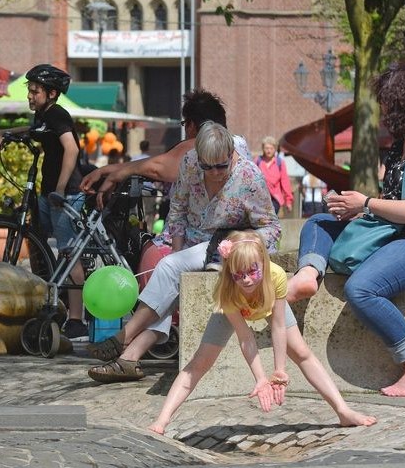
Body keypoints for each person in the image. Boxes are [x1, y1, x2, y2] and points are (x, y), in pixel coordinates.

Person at [284, 62, 405, 397]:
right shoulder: (403, 142)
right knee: (320, 222)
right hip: (401, 233)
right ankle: (307, 275)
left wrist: (366, 205)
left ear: (401, 103)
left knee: (362, 288)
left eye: (385, 103)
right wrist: (357, 214)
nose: (382, 111)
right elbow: (394, 203)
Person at [87, 122, 280, 382]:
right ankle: (129, 358)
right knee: (171, 279)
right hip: (194, 244)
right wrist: (177, 253)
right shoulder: (189, 163)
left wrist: (242, 244)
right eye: (206, 166)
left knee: (168, 269)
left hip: (227, 248)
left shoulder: (249, 177)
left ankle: (125, 335)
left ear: (232, 153)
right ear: (198, 158)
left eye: (222, 165)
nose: (214, 173)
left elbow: (272, 228)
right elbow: (176, 210)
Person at [149, 231, 376, 434]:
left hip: (267, 305)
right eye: (239, 274)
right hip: (236, 310)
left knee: (302, 353)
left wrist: (279, 371)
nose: (246, 279)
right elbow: (245, 337)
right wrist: (260, 379)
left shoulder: (275, 276)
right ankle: (162, 420)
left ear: (264, 265)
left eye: (252, 271)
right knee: (199, 363)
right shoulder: (227, 289)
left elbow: (278, 326)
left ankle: (343, 411)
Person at [0, 65, 91, 340]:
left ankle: (76, 319)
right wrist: (6, 131)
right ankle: (56, 306)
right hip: (49, 193)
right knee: (49, 249)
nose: (30, 96)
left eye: (35, 91)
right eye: (29, 90)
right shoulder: (44, 117)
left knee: (69, 252)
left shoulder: (58, 115)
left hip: (66, 193)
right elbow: (34, 130)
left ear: (51, 93)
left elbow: (71, 148)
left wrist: (59, 189)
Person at [80, 89, 252, 210]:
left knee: (150, 257)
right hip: (228, 233)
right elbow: (157, 162)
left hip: (201, 238)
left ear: (192, 124)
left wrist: (117, 173)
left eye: (185, 124)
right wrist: (108, 170)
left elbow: (157, 168)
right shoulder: (238, 143)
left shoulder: (200, 144)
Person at [255, 136, 294, 216]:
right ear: (263, 149)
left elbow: (285, 182)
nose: (269, 151)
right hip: (260, 197)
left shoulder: (280, 163)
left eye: (271, 148)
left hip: (275, 198)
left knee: (270, 217)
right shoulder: (258, 161)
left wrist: (288, 201)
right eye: (266, 148)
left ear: (275, 149)